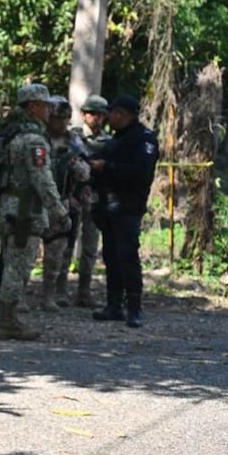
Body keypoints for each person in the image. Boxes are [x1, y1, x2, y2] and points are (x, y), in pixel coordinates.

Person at [0, 83, 70, 340]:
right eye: (46, 105)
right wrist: (59, 211)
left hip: (11, 206)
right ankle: (8, 321)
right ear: (34, 106)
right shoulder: (34, 140)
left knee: (14, 263)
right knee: (18, 266)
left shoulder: (12, 133)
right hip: (25, 210)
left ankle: (9, 317)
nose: (50, 110)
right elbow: (43, 180)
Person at [88, 94, 160, 328]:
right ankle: (113, 305)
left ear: (123, 114)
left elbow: (140, 173)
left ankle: (134, 309)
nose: (109, 117)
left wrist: (107, 167)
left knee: (128, 256)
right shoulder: (117, 140)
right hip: (108, 206)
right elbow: (101, 161)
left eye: (113, 112)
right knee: (111, 255)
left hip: (128, 207)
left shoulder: (144, 139)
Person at [42, 96, 90, 312]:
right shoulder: (37, 138)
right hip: (37, 202)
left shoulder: (73, 141)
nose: (61, 123)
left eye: (65, 119)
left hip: (63, 200)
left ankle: (53, 293)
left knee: (60, 251)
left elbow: (83, 171)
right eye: (57, 118)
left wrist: (76, 194)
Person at [69, 94, 112, 307]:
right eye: (91, 113)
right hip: (73, 196)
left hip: (95, 197)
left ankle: (83, 292)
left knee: (90, 246)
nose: (95, 117)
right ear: (84, 114)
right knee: (66, 242)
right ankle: (57, 289)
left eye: (99, 114)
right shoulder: (73, 137)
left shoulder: (108, 141)